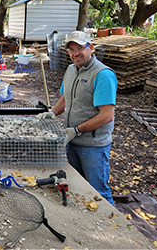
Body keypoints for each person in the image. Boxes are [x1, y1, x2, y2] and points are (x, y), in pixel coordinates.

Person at [37, 31, 117, 205]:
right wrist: (53, 112)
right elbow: (67, 97)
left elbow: (107, 116)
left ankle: (111, 229)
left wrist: (76, 130)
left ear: (90, 47)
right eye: (71, 49)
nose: (75, 53)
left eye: (80, 47)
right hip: (71, 141)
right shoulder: (72, 69)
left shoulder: (102, 75)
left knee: (98, 190)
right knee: (79, 185)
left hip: (93, 146)